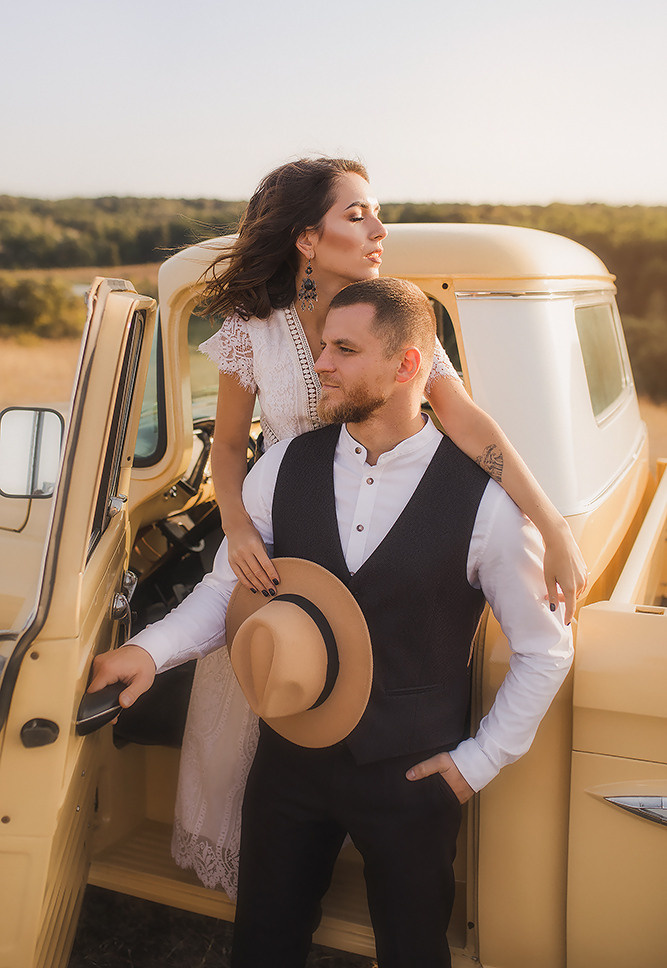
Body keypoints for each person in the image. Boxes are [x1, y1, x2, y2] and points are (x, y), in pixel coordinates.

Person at [89, 277, 575, 967]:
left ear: (408, 366)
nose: (320, 363)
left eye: (343, 350)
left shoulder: (487, 508)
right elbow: (227, 585)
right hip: (288, 766)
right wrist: (146, 651)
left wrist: (474, 765)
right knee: (261, 943)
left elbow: (542, 650)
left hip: (412, 779)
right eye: (321, 346)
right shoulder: (283, 466)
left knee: (412, 951)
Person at [170, 157, 586, 899]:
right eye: (357, 214)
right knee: (264, 700)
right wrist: (237, 529)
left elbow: (459, 417)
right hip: (280, 537)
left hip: (377, 527)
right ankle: (269, 872)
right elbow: (229, 446)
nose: (378, 228)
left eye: (375, 211)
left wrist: (548, 523)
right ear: (306, 237)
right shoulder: (251, 329)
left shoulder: (389, 314)